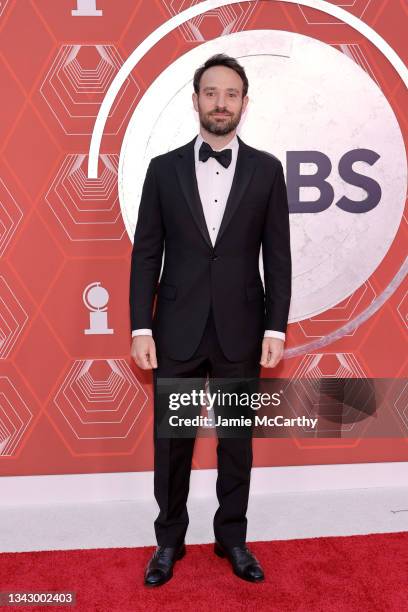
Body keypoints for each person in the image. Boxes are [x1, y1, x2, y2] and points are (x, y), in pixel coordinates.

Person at [129, 53, 292, 586]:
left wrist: (275, 327)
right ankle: (168, 541)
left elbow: (279, 255)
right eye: (210, 92)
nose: (220, 103)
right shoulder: (163, 169)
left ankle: (232, 537)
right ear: (195, 98)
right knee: (172, 443)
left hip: (243, 329)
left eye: (230, 94)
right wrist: (140, 327)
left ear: (245, 102)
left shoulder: (268, 170)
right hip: (174, 327)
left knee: (236, 442)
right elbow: (146, 255)